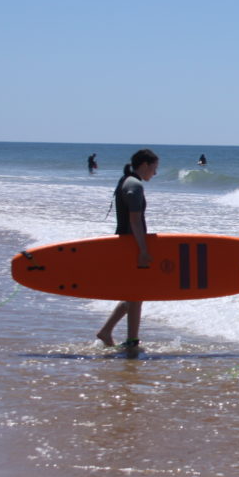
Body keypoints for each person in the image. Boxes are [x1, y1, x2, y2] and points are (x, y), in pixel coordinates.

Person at [96, 149, 160, 349]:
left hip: (125, 243)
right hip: (130, 245)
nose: (155, 173)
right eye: (154, 168)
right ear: (144, 165)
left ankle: (106, 332)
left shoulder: (127, 181)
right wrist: (142, 250)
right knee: (136, 293)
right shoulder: (135, 185)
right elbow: (134, 220)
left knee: (133, 294)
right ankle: (131, 340)